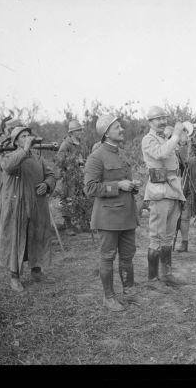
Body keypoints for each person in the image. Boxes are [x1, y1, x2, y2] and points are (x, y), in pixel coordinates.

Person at [84, 114, 140, 312]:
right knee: (107, 257)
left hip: (127, 215)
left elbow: (125, 181)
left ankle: (129, 294)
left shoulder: (121, 154)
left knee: (127, 257)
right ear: (106, 132)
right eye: (117, 127)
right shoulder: (96, 157)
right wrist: (118, 185)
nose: (122, 130)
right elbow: (90, 189)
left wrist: (132, 186)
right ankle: (108, 298)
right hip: (108, 218)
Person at [0, 126, 57, 292]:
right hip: (18, 207)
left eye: (28, 135)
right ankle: (14, 276)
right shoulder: (8, 156)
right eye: (23, 136)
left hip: (37, 205)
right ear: (16, 141)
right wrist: (24, 149)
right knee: (17, 238)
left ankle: (36, 271)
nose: (27, 138)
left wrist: (46, 185)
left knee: (38, 236)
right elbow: (9, 167)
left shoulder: (37, 156)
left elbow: (51, 175)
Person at [141, 106, 186, 287]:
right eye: (157, 119)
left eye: (163, 118)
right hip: (159, 192)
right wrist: (175, 136)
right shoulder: (148, 139)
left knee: (168, 236)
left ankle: (166, 275)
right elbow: (161, 154)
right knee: (156, 237)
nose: (162, 121)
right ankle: (153, 278)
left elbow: (179, 161)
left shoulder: (164, 138)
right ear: (150, 122)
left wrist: (182, 140)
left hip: (173, 191)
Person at [0, 117, 23, 254]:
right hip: (8, 181)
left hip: (22, 179)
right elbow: (0, 165)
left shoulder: (21, 139)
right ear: (5, 129)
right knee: (3, 211)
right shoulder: (1, 143)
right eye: (11, 128)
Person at [55, 119, 85, 235]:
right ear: (71, 132)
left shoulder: (79, 143)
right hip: (68, 177)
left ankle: (81, 223)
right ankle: (68, 225)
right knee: (67, 199)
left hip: (78, 175)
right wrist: (74, 162)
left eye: (80, 130)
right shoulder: (66, 144)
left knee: (79, 197)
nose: (80, 132)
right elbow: (60, 161)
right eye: (78, 130)